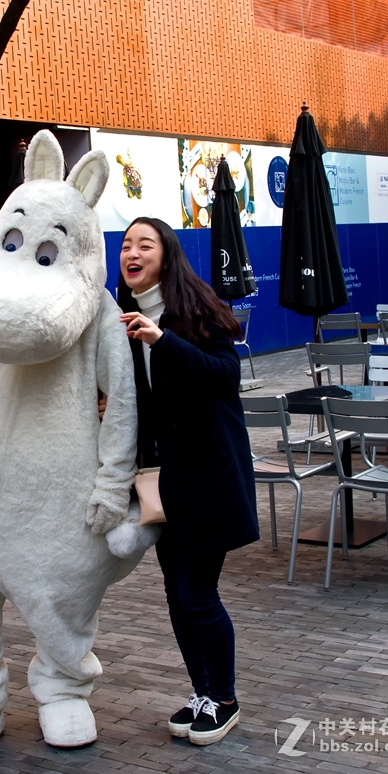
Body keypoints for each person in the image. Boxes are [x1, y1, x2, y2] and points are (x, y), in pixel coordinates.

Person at [116, 216, 258, 746]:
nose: (132, 253)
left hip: (209, 475)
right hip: (164, 481)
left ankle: (224, 698)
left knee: (199, 592)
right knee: (178, 595)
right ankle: (202, 692)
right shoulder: (124, 320)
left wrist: (162, 341)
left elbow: (224, 377)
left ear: (166, 255)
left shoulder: (194, 309)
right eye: (126, 245)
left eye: (144, 244)